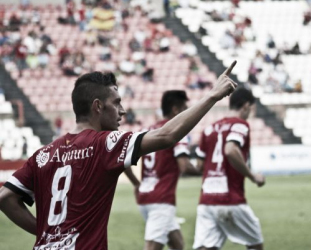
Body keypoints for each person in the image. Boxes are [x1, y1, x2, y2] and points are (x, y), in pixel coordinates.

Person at [0, 62, 238, 249]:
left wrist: (46, 232)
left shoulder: (43, 154)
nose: (123, 110)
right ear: (98, 106)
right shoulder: (105, 144)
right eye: (117, 103)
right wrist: (212, 97)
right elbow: (167, 135)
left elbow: (5, 198)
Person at [125, 90, 200, 250]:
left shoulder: (148, 130)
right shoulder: (176, 131)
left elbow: (122, 160)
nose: (188, 112)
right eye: (185, 108)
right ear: (175, 110)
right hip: (161, 199)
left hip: (145, 197)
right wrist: (205, 170)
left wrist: (136, 184)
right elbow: (184, 166)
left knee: (177, 244)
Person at [193, 87, 265, 250]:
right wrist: (253, 176)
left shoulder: (209, 129)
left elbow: (199, 165)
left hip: (207, 198)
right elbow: (230, 150)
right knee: (255, 243)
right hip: (230, 198)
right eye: (252, 108)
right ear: (246, 105)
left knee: (206, 247)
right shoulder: (241, 125)